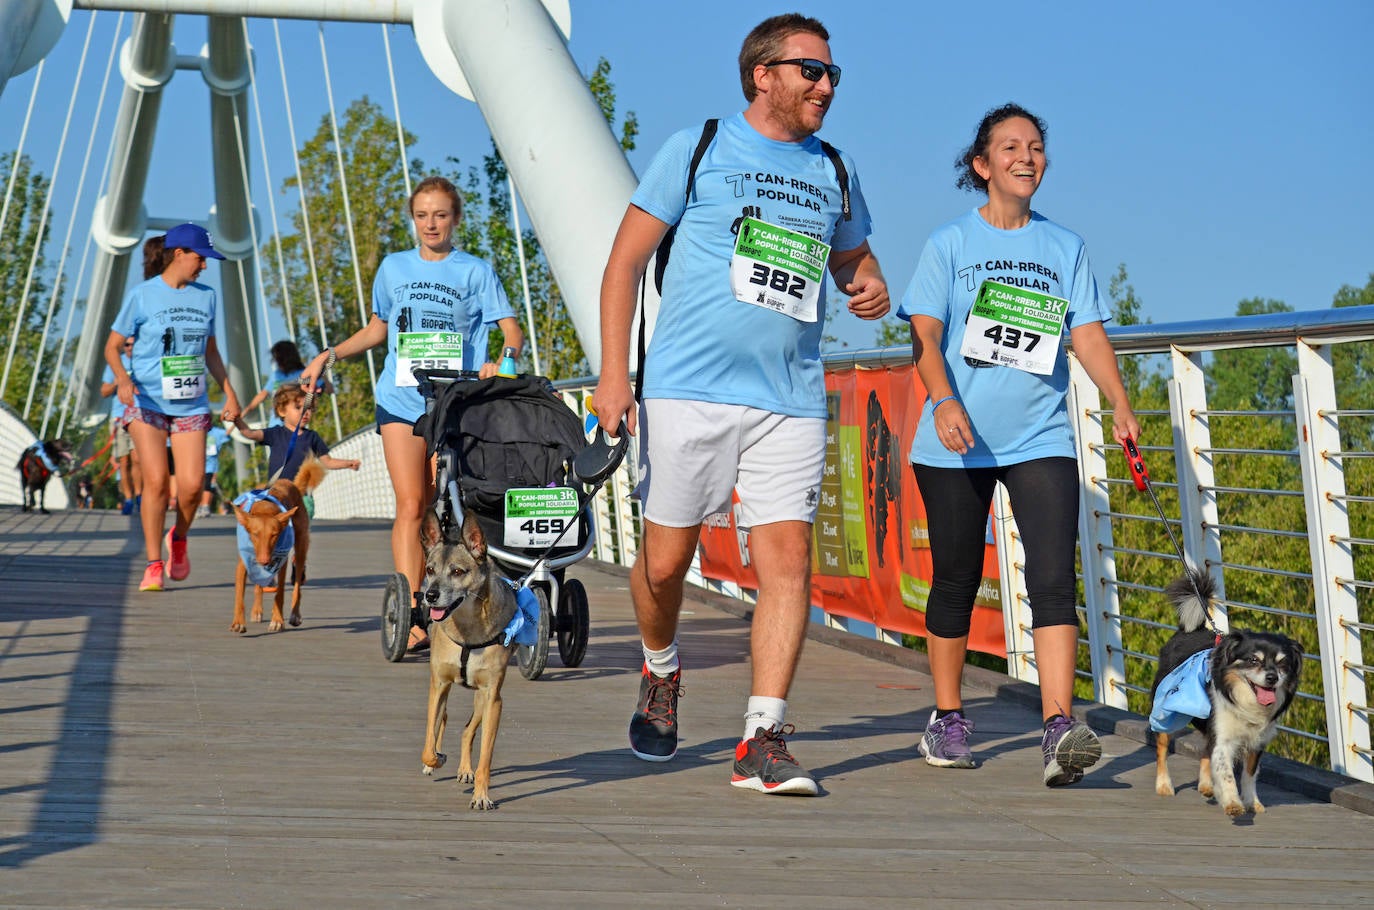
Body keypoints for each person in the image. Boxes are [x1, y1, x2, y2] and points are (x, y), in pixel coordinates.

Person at [591, 13, 888, 795]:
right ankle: (661, 669)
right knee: (663, 567)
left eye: (832, 75)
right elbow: (622, 265)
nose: (826, 86)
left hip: (789, 396)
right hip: (686, 390)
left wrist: (869, 285)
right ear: (764, 75)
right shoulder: (699, 148)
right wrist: (614, 376)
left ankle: (763, 737)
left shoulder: (836, 169)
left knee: (787, 561)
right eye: (811, 71)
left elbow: (853, 260)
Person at [897, 103, 1140, 787]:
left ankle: (1059, 729)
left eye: (1036, 147)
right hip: (958, 439)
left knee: (1053, 578)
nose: (1027, 158)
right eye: (1011, 148)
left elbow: (1085, 333)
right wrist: (943, 402)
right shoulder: (949, 244)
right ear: (982, 166)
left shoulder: (1065, 248)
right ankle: (947, 718)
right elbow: (923, 334)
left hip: (1040, 436)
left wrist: (1119, 400)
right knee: (956, 579)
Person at [300, 175, 523, 652]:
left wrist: (500, 362)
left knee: (441, 508)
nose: (431, 224)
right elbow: (378, 329)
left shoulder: (475, 272)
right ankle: (415, 610)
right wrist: (328, 355)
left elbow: (511, 331)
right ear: (413, 218)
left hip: (455, 402)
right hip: (401, 400)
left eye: (440, 214)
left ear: (455, 218)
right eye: (422, 215)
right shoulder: (394, 268)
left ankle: (455, 601)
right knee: (410, 503)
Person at [104, 223, 241, 592]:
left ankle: (177, 537)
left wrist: (229, 392)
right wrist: (122, 378)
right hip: (146, 400)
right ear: (178, 254)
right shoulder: (142, 295)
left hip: (191, 402)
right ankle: (152, 563)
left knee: (194, 487)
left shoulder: (207, 296)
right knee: (157, 482)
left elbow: (211, 352)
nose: (204, 267)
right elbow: (112, 346)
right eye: (200, 258)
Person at [231, 382, 360, 508]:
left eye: (309, 408)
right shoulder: (275, 434)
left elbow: (328, 461)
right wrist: (237, 421)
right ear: (282, 411)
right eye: (298, 407)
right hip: (277, 494)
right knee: (280, 526)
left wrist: (347, 463)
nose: (305, 412)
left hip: (302, 495)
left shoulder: (312, 437)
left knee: (301, 527)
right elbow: (250, 434)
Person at [101, 334, 143, 514]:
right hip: (119, 417)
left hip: (140, 416)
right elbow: (103, 391)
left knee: (138, 459)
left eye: (133, 344)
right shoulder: (114, 365)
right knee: (124, 462)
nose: (130, 348)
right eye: (126, 344)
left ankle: (140, 497)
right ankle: (128, 499)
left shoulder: (144, 363)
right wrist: (116, 384)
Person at [242, 339, 326, 426]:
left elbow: (325, 388)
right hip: (276, 424)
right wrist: (245, 412)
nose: (275, 361)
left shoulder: (305, 373)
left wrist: (321, 372)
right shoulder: (276, 375)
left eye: (277, 358)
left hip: (296, 424)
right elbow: (263, 394)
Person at [199, 417, 232, 518]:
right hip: (198, 465)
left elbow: (227, 433)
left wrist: (236, 421)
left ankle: (205, 506)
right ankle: (200, 506)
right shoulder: (196, 432)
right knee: (198, 486)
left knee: (208, 485)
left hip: (211, 466)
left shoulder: (216, 432)